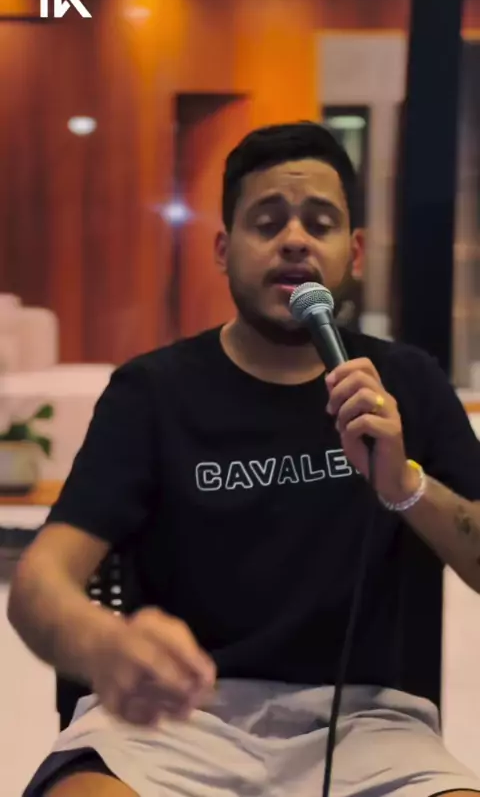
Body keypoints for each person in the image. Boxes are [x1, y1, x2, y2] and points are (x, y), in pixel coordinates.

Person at [9, 122, 480, 797]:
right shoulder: (153, 393)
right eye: (267, 222)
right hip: (178, 720)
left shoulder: (409, 383)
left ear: (354, 253)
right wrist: (102, 643)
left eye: (319, 223)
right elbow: (38, 584)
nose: (295, 239)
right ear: (224, 251)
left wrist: (404, 483)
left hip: (369, 726)